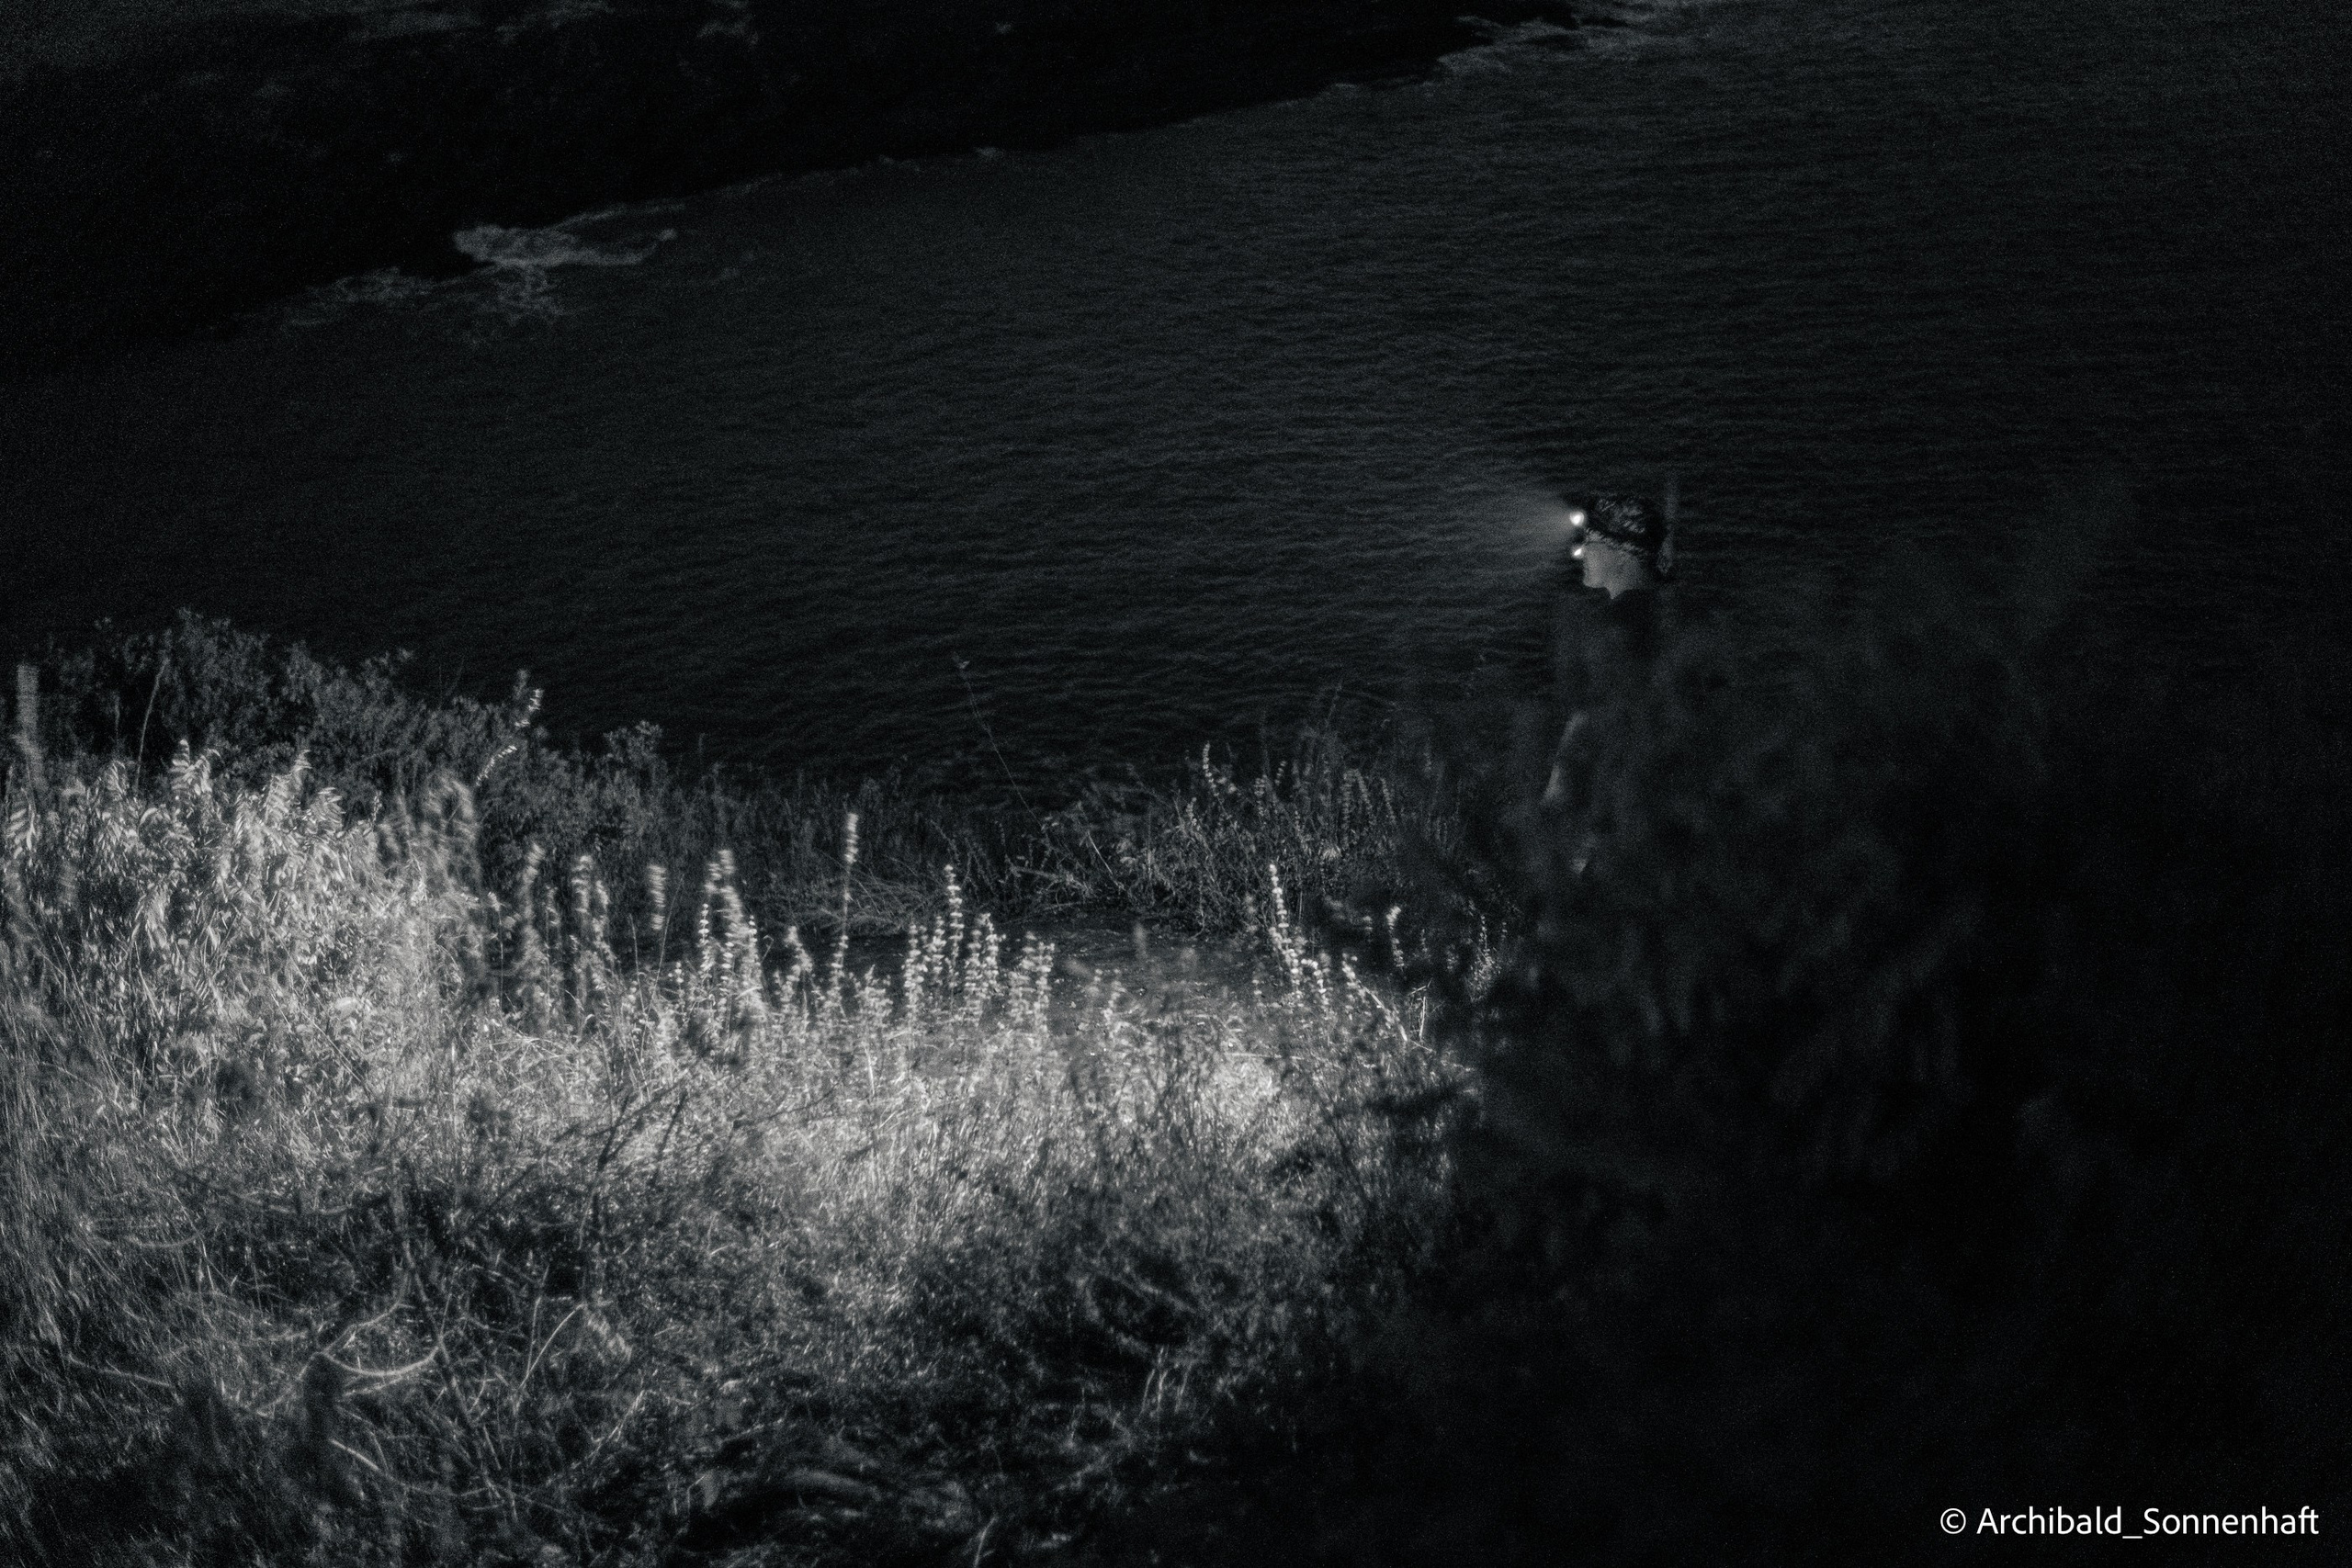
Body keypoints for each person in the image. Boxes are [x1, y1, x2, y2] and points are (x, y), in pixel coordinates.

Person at [1541, 491, 1675, 815]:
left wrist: (1555, 799)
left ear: (1622, 554)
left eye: (1592, 541)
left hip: (1620, 801)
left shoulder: (1613, 626)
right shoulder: (1679, 614)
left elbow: (1588, 718)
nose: (1581, 551)